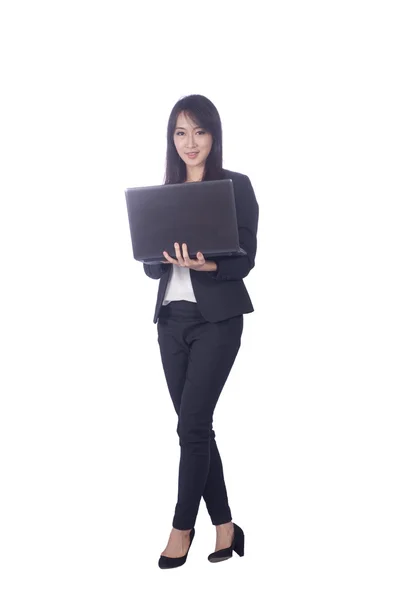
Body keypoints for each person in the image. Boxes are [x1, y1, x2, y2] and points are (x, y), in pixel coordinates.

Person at [143, 94, 259, 568]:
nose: (190, 142)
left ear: (214, 135)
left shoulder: (236, 185)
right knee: (197, 430)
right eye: (180, 132)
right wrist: (162, 256)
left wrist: (208, 262)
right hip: (171, 320)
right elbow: (151, 268)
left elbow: (247, 259)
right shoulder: (165, 190)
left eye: (199, 131)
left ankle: (181, 527)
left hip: (217, 321)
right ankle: (227, 526)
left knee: (190, 427)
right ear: (172, 140)